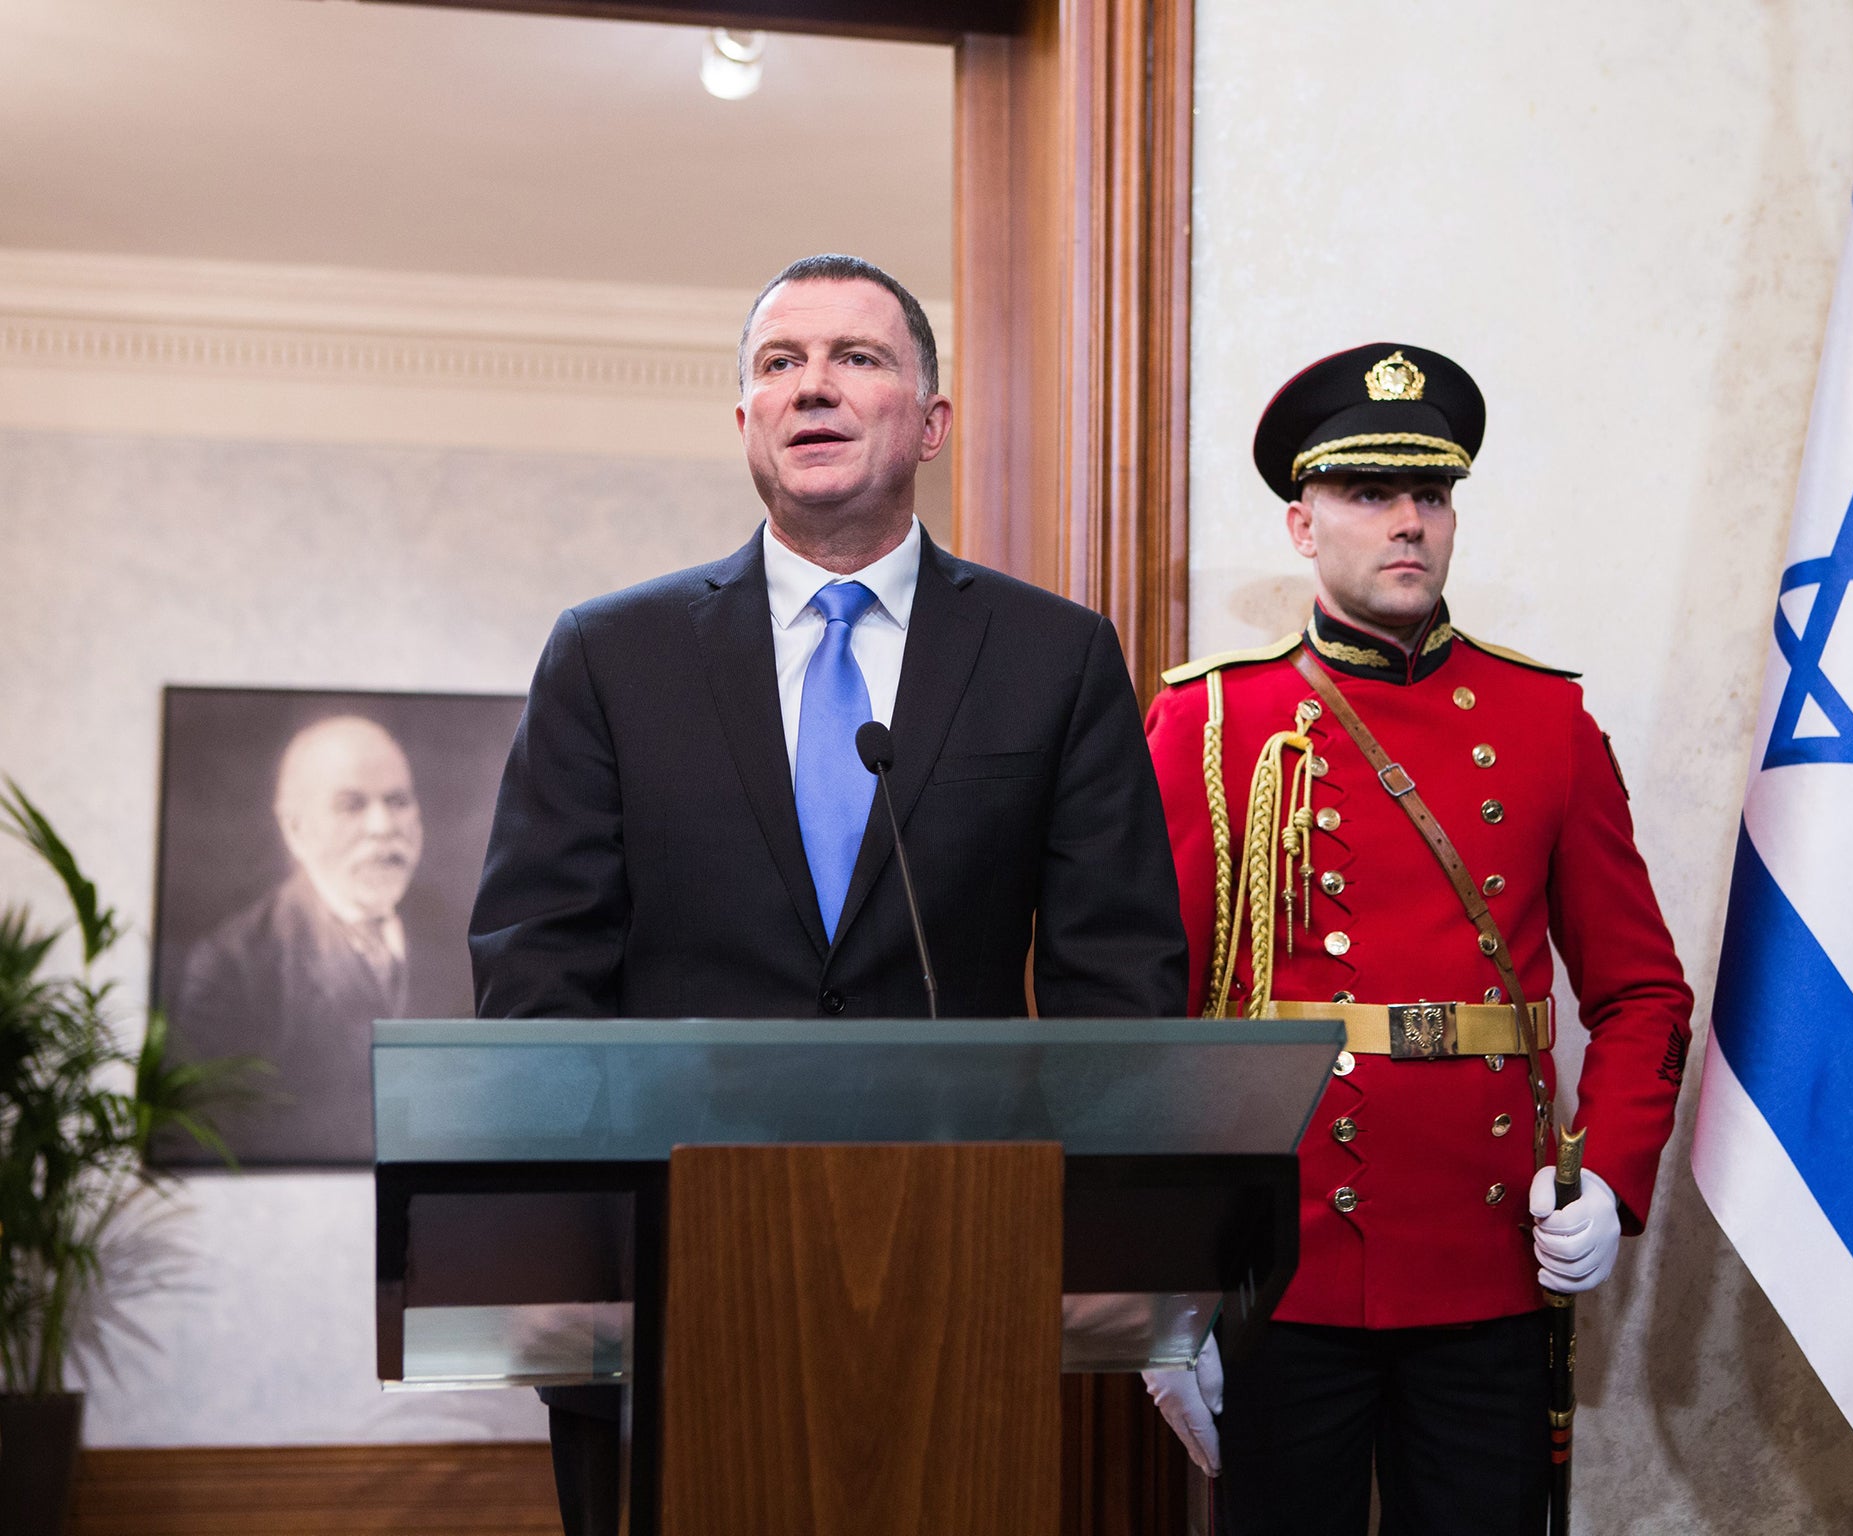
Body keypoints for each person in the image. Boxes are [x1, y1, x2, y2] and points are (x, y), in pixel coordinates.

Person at [469, 253, 1188, 1535]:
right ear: (743, 418)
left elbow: (1116, 975)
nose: (813, 388)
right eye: (777, 364)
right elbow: (536, 966)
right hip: (669, 1262)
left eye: (857, 359)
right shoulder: (610, 654)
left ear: (930, 420)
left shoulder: (1052, 656)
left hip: (960, 1259)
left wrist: (1111, 1245)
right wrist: (558, 1233)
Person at [1140, 343, 1693, 1534]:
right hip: (1283, 1266)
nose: (1407, 524)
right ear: (1300, 525)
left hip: (1489, 1254)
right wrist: (1163, 1288)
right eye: (1366, 493)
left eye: (1428, 496)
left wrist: (1606, 1176)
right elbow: (1151, 1017)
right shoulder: (1211, 722)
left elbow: (1642, 991)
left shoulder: (1544, 721)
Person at [175, 714, 470, 1163]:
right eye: (351, 805)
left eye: (398, 801)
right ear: (296, 830)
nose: (383, 826)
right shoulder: (233, 966)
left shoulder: (462, 939)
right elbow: (211, 1143)